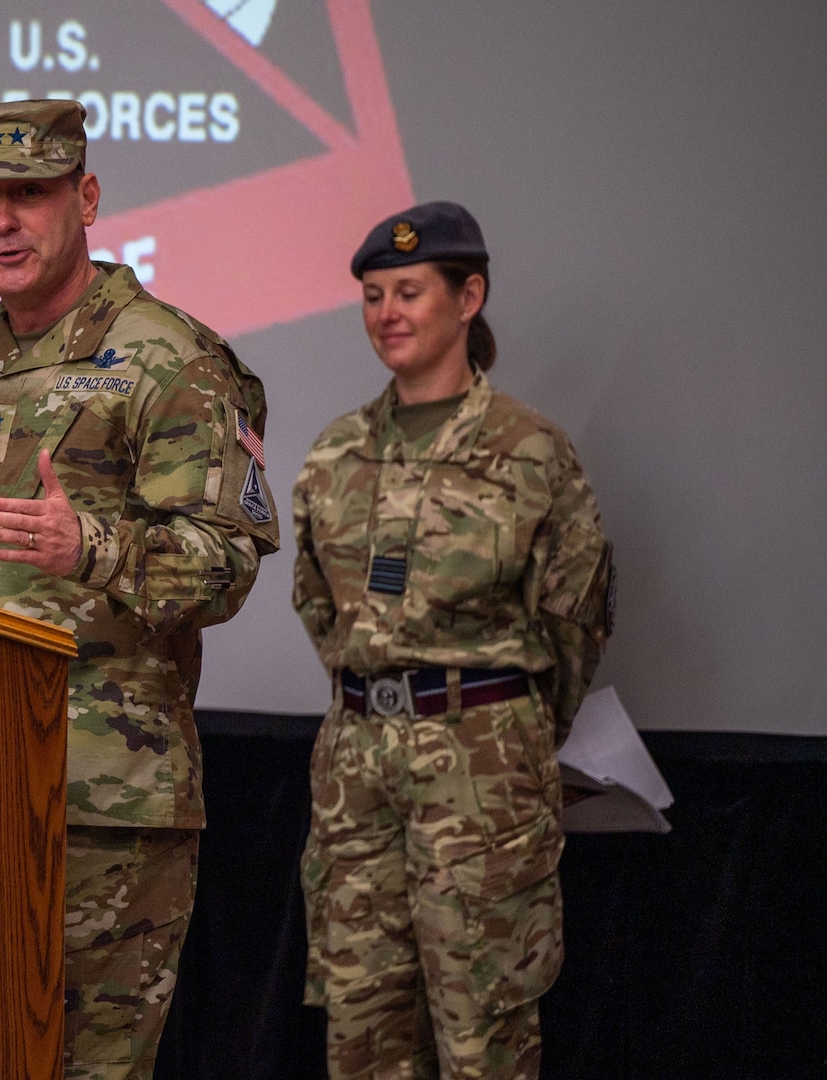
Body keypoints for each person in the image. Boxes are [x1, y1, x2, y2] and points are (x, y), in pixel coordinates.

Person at [0, 98, 280, 1080]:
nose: (3, 222)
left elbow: (225, 560)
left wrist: (92, 546)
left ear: (87, 197)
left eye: (29, 193)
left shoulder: (169, 358)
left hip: (106, 804)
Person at [291, 201, 614, 1079]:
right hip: (356, 767)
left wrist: (501, 726)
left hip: (482, 766)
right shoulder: (335, 456)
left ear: (468, 297)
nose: (387, 313)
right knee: (362, 1030)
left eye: (408, 292)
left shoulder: (530, 452)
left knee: (484, 1033)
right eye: (371, 295)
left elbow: (574, 618)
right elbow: (319, 607)